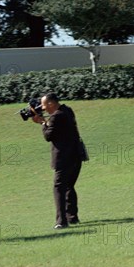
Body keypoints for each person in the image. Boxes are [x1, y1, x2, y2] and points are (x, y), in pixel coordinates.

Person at [32, 92, 84, 229]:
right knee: (68, 186)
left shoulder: (56, 117)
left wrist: (42, 122)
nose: (43, 108)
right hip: (76, 156)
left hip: (64, 158)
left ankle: (61, 221)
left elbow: (49, 136)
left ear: (51, 103)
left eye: (44, 105)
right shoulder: (67, 110)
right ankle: (72, 217)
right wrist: (44, 120)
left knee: (58, 188)